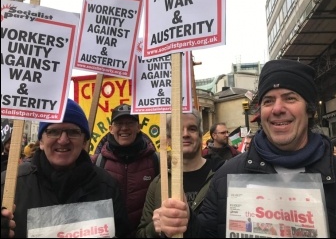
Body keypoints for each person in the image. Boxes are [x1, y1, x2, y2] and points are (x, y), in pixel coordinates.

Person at [156, 59, 336, 238]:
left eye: (290, 98)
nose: (277, 109)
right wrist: (186, 224)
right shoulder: (226, 176)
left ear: (310, 110)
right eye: (268, 101)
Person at [1, 99, 129, 238]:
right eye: (53, 131)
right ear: (41, 142)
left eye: (73, 132)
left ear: (84, 142)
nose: (63, 140)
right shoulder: (9, 185)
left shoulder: (107, 186)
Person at [136, 110, 225, 238]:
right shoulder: (158, 184)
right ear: (168, 140)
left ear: (200, 137)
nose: (185, 134)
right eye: (178, 130)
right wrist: (157, 228)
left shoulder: (220, 175)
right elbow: (141, 234)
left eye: (192, 129)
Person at [91, 103, 158, 237]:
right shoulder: (96, 163)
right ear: (110, 128)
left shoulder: (156, 160)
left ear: (139, 127)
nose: (124, 128)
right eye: (119, 123)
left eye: (130, 123)